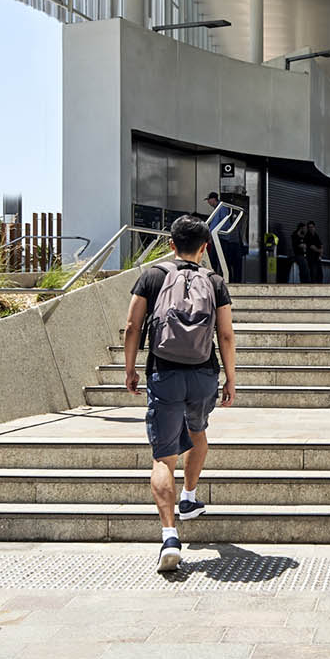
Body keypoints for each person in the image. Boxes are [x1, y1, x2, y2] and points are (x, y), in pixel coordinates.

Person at [123, 213, 237, 574]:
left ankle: (170, 536)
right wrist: (231, 379)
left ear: (170, 244)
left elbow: (132, 326)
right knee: (198, 431)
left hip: (165, 374)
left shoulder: (152, 277)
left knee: (163, 457)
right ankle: (188, 497)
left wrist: (130, 369)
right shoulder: (215, 282)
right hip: (203, 375)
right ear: (204, 248)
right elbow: (227, 335)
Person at [204, 191, 245, 282]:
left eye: (209, 200)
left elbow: (224, 223)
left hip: (220, 238)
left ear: (213, 199)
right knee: (214, 260)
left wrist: (214, 233)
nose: (208, 202)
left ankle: (221, 279)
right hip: (217, 238)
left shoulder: (221, 207)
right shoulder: (217, 209)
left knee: (219, 260)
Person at [304, 219, 324, 284]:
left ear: (314, 227)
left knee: (320, 275)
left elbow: (321, 245)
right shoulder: (307, 236)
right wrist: (319, 250)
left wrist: (320, 255)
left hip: (317, 259)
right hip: (311, 259)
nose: (311, 228)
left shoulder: (316, 235)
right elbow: (312, 247)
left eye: (312, 227)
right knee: (313, 276)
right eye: (309, 227)